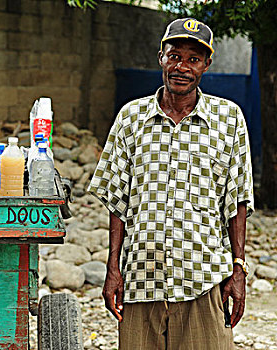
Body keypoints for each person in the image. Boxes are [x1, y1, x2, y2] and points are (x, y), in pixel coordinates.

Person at [87, 18, 254, 349]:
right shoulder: (131, 118)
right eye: (175, 56)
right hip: (140, 276)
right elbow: (117, 201)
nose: (182, 67)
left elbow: (237, 201)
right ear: (160, 57)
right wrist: (112, 268)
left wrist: (238, 269)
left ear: (207, 64)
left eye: (193, 59)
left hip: (204, 277)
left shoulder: (229, 119)